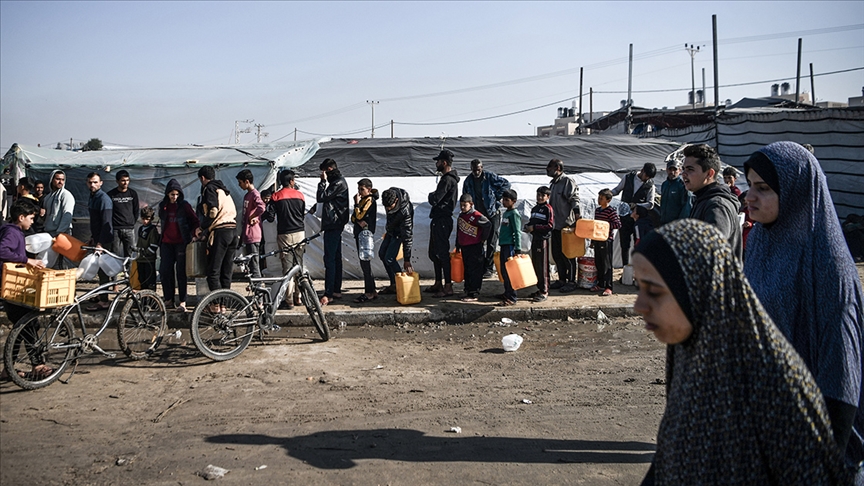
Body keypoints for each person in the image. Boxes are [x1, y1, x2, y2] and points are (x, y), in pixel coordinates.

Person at [632, 219, 852, 485]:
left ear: (699, 289)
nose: (639, 305)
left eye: (654, 291)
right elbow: (670, 456)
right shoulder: (688, 351)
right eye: (640, 288)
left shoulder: (775, 385)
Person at [742, 141, 864, 475]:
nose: (749, 196)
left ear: (797, 192)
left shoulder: (828, 265)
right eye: (749, 186)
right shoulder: (761, 244)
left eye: (763, 188)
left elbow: (842, 370)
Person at [0, 199, 49, 381]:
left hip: (11, 286)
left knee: (21, 328)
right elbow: (2, 250)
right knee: (29, 326)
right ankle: (38, 365)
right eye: (30, 218)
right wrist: (27, 260)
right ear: (21, 217)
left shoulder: (11, 230)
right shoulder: (12, 232)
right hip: (12, 288)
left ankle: (9, 369)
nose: (32, 221)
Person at [680, 144, 742, 260]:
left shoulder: (717, 205)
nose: (683, 174)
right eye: (683, 169)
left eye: (690, 169)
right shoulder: (702, 200)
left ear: (709, 174)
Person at [461, 158, 511, 278]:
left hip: (492, 213)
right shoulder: (468, 181)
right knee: (478, 240)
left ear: (482, 168)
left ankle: (489, 267)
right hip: (478, 215)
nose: (476, 172)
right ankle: (480, 266)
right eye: (474, 169)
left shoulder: (489, 177)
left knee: (492, 241)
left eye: (478, 169)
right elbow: (465, 196)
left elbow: (506, 184)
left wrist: (497, 196)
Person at [159, 179, 199, 312]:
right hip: (166, 243)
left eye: (176, 194)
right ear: (167, 194)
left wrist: (194, 234)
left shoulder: (184, 206)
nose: (174, 197)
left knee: (181, 272)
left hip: (181, 243)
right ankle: (168, 299)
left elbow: (194, 221)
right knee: (165, 271)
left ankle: (182, 301)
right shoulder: (163, 206)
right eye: (172, 194)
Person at [314, 158, 349, 306]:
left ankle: (329, 293)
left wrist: (322, 182)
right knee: (335, 258)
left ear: (328, 170)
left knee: (330, 259)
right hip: (335, 223)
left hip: (333, 224)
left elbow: (321, 197)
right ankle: (336, 289)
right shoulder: (339, 182)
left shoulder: (338, 183)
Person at [269, 170, 306, 308]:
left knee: (288, 267)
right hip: (300, 233)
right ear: (291, 181)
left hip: (284, 234)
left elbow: (270, 217)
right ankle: (299, 297)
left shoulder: (276, 196)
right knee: (299, 265)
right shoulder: (300, 196)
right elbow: (302, 214)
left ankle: (289, 300)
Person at [426, 150, 460, 297]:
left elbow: (435, 199)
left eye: (438, 161)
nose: (436, 163)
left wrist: (431, 195)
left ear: (444, 163)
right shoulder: (448, 179)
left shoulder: (447, 180)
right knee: (434, 253)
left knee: (442, 254)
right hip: (440, 220)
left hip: (442, 220)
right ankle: (439, 282)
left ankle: (447, 286)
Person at [197, 166, 237, 292]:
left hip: (220, 232)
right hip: (233, 231)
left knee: (213, 272)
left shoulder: (209, 188)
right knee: (226, 271)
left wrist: (203, 227)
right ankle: (225, 304)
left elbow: (213, 211)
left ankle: (216, 304)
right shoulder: (223, 190)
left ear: (202, 178)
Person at [546, 158, 581, 293]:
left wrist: (577, 217)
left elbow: (575, 200)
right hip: (555, 226)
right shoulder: (553, 184)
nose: (547, 169)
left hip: (566, 226)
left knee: (569, 255)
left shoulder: (567, 182)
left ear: (558, 169)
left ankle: (571, 282)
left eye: (550, 167)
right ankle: (562, 279)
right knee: (557, 253)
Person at [611, 162, 656, 266]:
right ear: (642, 170)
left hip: (638, 219)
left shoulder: (650, 185)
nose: (647, 179)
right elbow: (617, 190)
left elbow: (651, 204)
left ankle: (637, 269)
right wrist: (609, 193)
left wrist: (637, 205)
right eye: (646, 176)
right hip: (625, 217)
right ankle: (625, 268)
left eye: (649, 177)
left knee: (638, 244)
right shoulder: (628, 178)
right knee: (624, 245)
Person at [85, 172, 114, 311]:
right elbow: (96, 222)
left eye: (95, 182)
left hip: (104, 240)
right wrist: (93, 237)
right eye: (90, 182)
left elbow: (106, 223)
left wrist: (101, 243)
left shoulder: (103, 199)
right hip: (97, 238)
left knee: (104, 271)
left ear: (101, 183)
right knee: (100, 269)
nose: (93, 185)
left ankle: (104, 301)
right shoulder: (92, 197)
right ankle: (103, 295)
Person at [455, 194, 491, 302]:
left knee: (475, 270)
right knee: (467, 269)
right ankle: (468, 290)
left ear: (471, 204)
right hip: (465, 247)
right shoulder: (461, 216)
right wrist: (458, 245)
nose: (462, 207)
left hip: (475, 247)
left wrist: (483, 238)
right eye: (461, 205)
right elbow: (459, 231)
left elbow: (488, 224)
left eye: (464, 205)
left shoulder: (476, 215)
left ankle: (474, 293)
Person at [378, 188, 414, 295]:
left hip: (399, 234)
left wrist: (407, 259)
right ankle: (394, 283)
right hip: (391, 231)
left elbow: (407, 235)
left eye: (390, 207)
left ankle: (401, 283)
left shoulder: (405, 211)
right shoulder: (389, 198)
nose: (388, 209)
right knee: (382, 254)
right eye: (386, 207)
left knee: (389, 258)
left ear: (396, 200)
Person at [351, 178, 379, 304]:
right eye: (358, 189)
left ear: (369, 189)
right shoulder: (363, 200)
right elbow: (354, 218)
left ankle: (369, 292)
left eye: (362, 189)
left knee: (365, 263)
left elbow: (360, 215)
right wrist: (357, 219)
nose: (359, 192)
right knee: (364, 263)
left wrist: (356, 205)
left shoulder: (369, 200)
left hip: (365, 235)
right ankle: (372, 290)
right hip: (360, 233)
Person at [524, 186, 554, 303]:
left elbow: (550, 225)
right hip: (535, 239)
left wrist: (535, 227)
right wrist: (527, 226)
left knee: (543, 266)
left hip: (543, 241)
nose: (540, 197)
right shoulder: (535, 208)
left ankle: (545, 291)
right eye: (538, 195)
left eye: (542, 195)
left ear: (548, 197)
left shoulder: (548, 209)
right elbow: (532, 221)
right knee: (536, 265)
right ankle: (539, 288)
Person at [590, 189, 621, 297]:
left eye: (601, 198)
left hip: (606, 240)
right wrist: (592, 240)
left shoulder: (611, 211)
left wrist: (605, 226)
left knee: (606, 264)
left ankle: (608, 286)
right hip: (598, 239)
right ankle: (600, 283)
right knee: (598, 262)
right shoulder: (598, 211)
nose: (599, 200)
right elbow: (595, 226)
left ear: (608, 200)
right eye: (598, 198)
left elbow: (617, 224)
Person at [235, 170, 266, 279]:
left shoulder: (255, 194)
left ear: (247, 181)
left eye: (240, 182)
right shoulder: (247, 195)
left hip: (253, 235)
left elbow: (261, 207)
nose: (239, 185)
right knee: (251, 264)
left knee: (254, 264)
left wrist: (252, 217)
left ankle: (259, 288)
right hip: (247, 235)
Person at [107, 169, 140, 259]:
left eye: (127, 180)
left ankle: (128, 273)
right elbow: (108, 212)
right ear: (117, 181)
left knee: (129, 255)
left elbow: (136, 210)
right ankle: (114, 273)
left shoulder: (132, 194)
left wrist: (131, 222)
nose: (125, 183)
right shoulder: (111, 195)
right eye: (123, 180)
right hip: (115, 229)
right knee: (114, 254)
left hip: (129, 229)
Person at [497, 189, 521, 306]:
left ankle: (512, 297)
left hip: (510, 246)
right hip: (504, 245)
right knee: (504, 271)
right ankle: (507, 292)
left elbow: (517, 232)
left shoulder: (514, 214)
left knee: (510, 272)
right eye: (503, 199)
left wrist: (518, 248)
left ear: (514, 201)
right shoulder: (506, 213)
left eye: (507, 200)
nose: (504, 202)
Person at [41, 170, 74, 244]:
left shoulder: (66, 195)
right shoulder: (47, 197)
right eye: (58, 179)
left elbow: (67, 215)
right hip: (49, 233)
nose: (60, 182)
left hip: (62, 233)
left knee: (64, 255)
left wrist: (60, 233)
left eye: (62, 180)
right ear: (51, 179)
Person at [658, 159, 691, 226]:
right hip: (663, 222)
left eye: (675, 170)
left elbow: (686, 207)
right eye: (670, 169)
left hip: (676, 224)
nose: (672, 172)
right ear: (667, 170)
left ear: (679, 170)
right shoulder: (664, 184)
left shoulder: (682, 186)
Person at [135, 206, 160, 291]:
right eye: (143, 218)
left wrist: (145, 252)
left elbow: (153, 246)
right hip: (140, 259)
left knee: (150, 282)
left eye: (147, 219)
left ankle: (151, 301)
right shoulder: (141, 228)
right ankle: (143, 301)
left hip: (149, 260)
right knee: (142, 280)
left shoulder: (153, 230)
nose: (145, 221)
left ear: (152, 218)